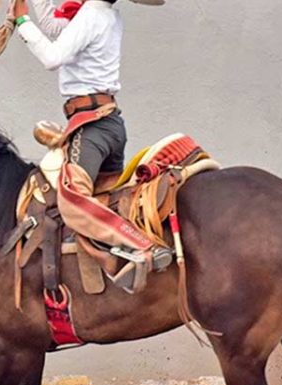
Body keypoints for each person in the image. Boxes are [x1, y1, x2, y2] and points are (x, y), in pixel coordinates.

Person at [13, 0, 170, 291]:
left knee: (72, 200)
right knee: (104, 199)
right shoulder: (103, 15)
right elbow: (54, 27)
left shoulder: (91, 13)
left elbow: (51, 57)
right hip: (107, 123)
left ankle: (139, 247)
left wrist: (22, 23)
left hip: (91, 126)